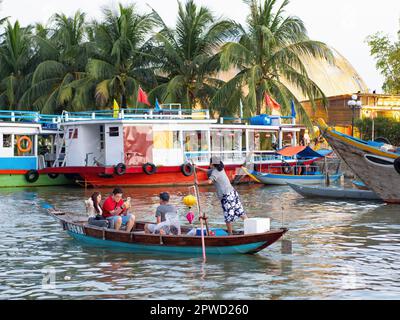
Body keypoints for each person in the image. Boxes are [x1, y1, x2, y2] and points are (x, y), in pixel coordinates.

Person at [196, 157, 248, 235]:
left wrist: (198, 183)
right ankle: (251, 228)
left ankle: (230, 235)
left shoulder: (215, 172)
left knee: (228, 217)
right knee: (240, 212)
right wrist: (197, 168)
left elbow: (209, 181)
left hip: (226, 196)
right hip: (233, 193)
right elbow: (209, 171)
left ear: (212, 164)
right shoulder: (220, 169)